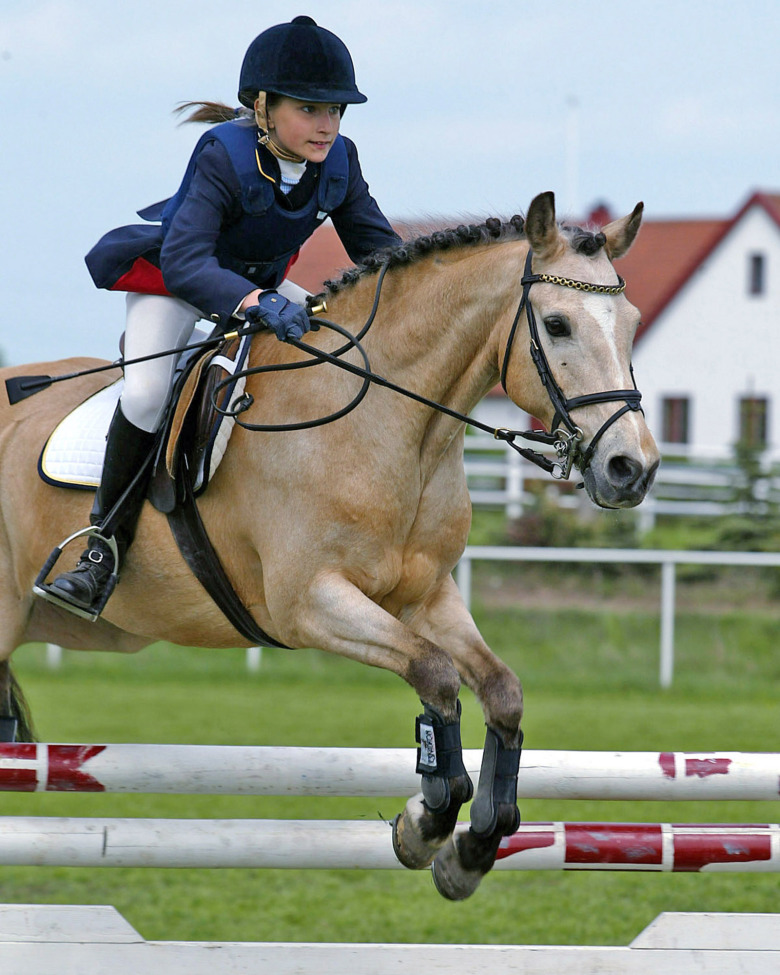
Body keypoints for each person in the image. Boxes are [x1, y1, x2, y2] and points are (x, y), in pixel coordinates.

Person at [39, 15, 401, 619]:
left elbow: (379, 250)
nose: (327, 126)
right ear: (263, 106)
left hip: (260, 286)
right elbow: (186, 262)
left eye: (336, 111)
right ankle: (101, 548)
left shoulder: (341, 162)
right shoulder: (221, 154)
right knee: (150, 391)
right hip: (178, 281)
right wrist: (257, 304)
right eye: (311, 109)